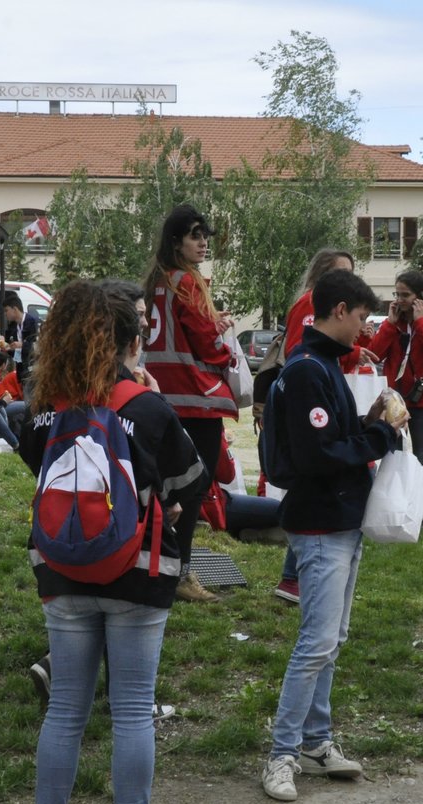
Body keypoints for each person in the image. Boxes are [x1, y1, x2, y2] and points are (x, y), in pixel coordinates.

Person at [18, 280, 208, 804]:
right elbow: (191, 481)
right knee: (131, 711)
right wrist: (164, 506)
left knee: (65, 710)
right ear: (131, 341)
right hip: (137, 573)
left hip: (60, 570)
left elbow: (38, 462)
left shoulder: (44, 406)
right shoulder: (147, 407)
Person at [260, 268, 408, 802]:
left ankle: (316, 740)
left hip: (341, 519)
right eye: (363, 317)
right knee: (316, 642)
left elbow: (331, 438)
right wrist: (378, 434)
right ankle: (281, 754)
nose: (365, 329)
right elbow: (316, 454)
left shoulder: (323, 366)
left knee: (332, 641)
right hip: (321, 523)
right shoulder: (306, 372)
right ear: (339, 310)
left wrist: (368, 420)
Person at [142, 203, 238, 603]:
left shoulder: (155, 280)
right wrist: (226, 349)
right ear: (176, 241)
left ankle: (154, 563)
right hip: (195, 399)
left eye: (205, 236)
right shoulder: (188, 282)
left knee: (160, 485)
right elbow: (206, 344)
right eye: (195, 235)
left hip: (157, 395)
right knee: (196, 485)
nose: (202, 243)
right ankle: (180, 573)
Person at [264, 248, 357, 603]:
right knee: (314, 477)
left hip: (322, 393)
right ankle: (292, 576)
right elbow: (302, 349)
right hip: (311, 399)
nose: (347, 280)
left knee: (316, 480)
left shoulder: (331, 307)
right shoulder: (310, 304)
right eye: (340, 273)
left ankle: (295, 575)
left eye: (351, 272)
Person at [368, 270, 423, 529]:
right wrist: (390, 325)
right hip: (397, 401)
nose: (400, 300)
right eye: (397, 294)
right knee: (393, 454)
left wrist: (420, 321)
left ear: (419, 298)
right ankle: (393, 509)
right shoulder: (393, 325)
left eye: (405, 295)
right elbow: (376, 354)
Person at [2, 292, 40, 383]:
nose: (5, 314)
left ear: (14, 309)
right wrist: (8, 348)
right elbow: (16, 352)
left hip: (32, 371)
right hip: (22, 371)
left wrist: (22, 345)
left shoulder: (31, 322)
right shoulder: (13, 326)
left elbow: (37, 346)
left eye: (6, 310)